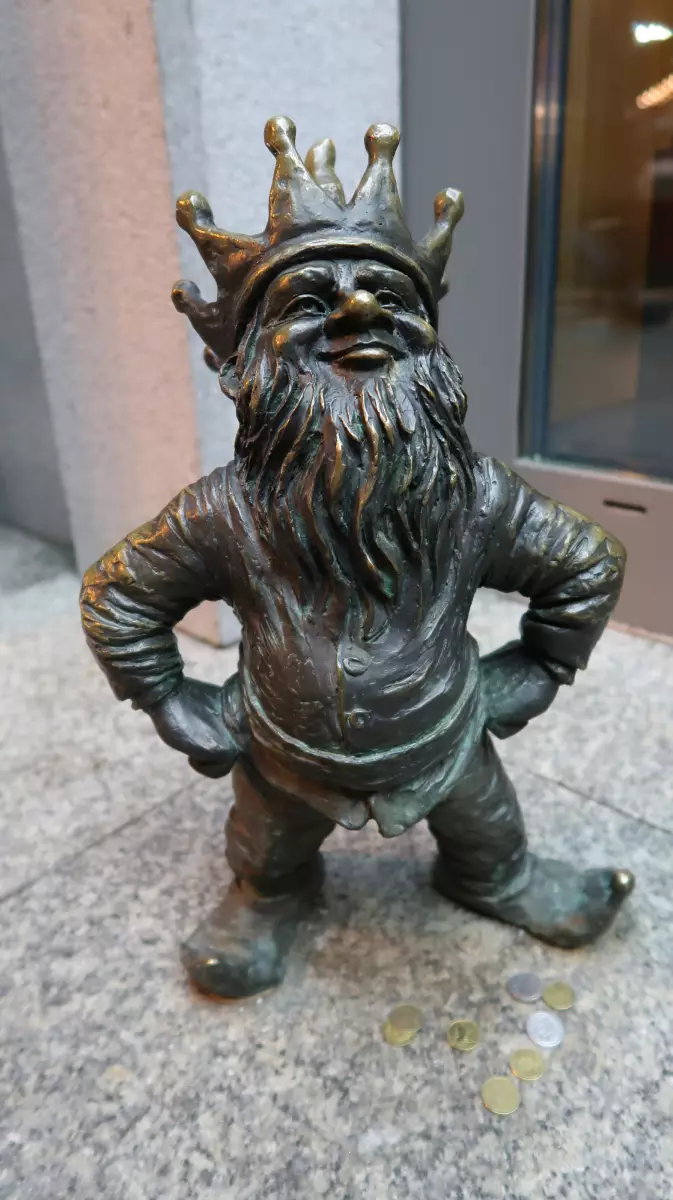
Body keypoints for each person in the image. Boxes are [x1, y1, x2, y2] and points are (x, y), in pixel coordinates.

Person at [81, 118, 634, 999]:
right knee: (264, 851)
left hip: (445, 736)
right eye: (309, 302)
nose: (359, 312)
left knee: (489, 829)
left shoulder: (476, 497)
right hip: (282, 751)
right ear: (243, 368)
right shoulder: (224, 511)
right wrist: (170, 700)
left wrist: (538, 667)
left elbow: (585, 565)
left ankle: (493, 878)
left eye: (386, 294)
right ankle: (269, 899)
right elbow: (118, 596)